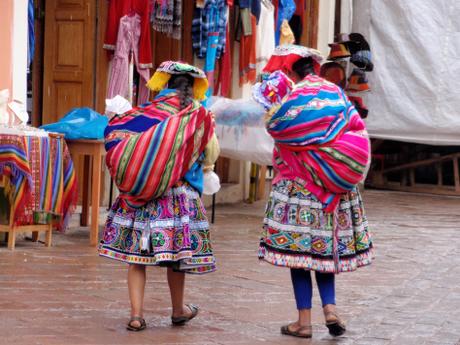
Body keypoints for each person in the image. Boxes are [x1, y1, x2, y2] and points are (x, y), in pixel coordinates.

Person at [256, 45, 373, 339]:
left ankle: (303, 322)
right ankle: (330, 309)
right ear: (315, 68)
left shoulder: (292, 98)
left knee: (300, 256)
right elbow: (352, 126)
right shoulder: (336, 94)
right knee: (324, 251)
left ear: (293, 71)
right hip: (333, 189)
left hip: (300, 188)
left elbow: (278, 128)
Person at [99, 61, 220, 332]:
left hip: (141, 194)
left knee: (136, 258)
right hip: (178, 196)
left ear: (165, 83)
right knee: (176, 258)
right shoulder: (199, 115)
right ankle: (178, 310)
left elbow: (118, 133)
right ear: (193, 87)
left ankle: (136, 315)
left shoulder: (143, 112)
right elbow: (210, 153)